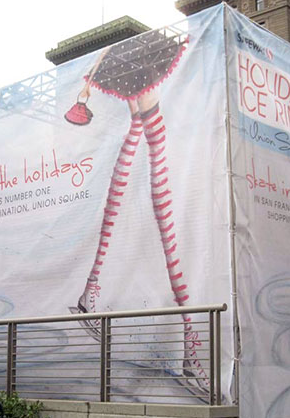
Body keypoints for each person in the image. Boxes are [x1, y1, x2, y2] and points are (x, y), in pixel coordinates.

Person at [66, 29, 209, 393]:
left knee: (139, 128)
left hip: (128, 58)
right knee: (155, 141)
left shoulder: (129, 55)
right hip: (134, 57)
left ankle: (91, 291)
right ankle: (190, 340)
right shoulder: (139, 56)